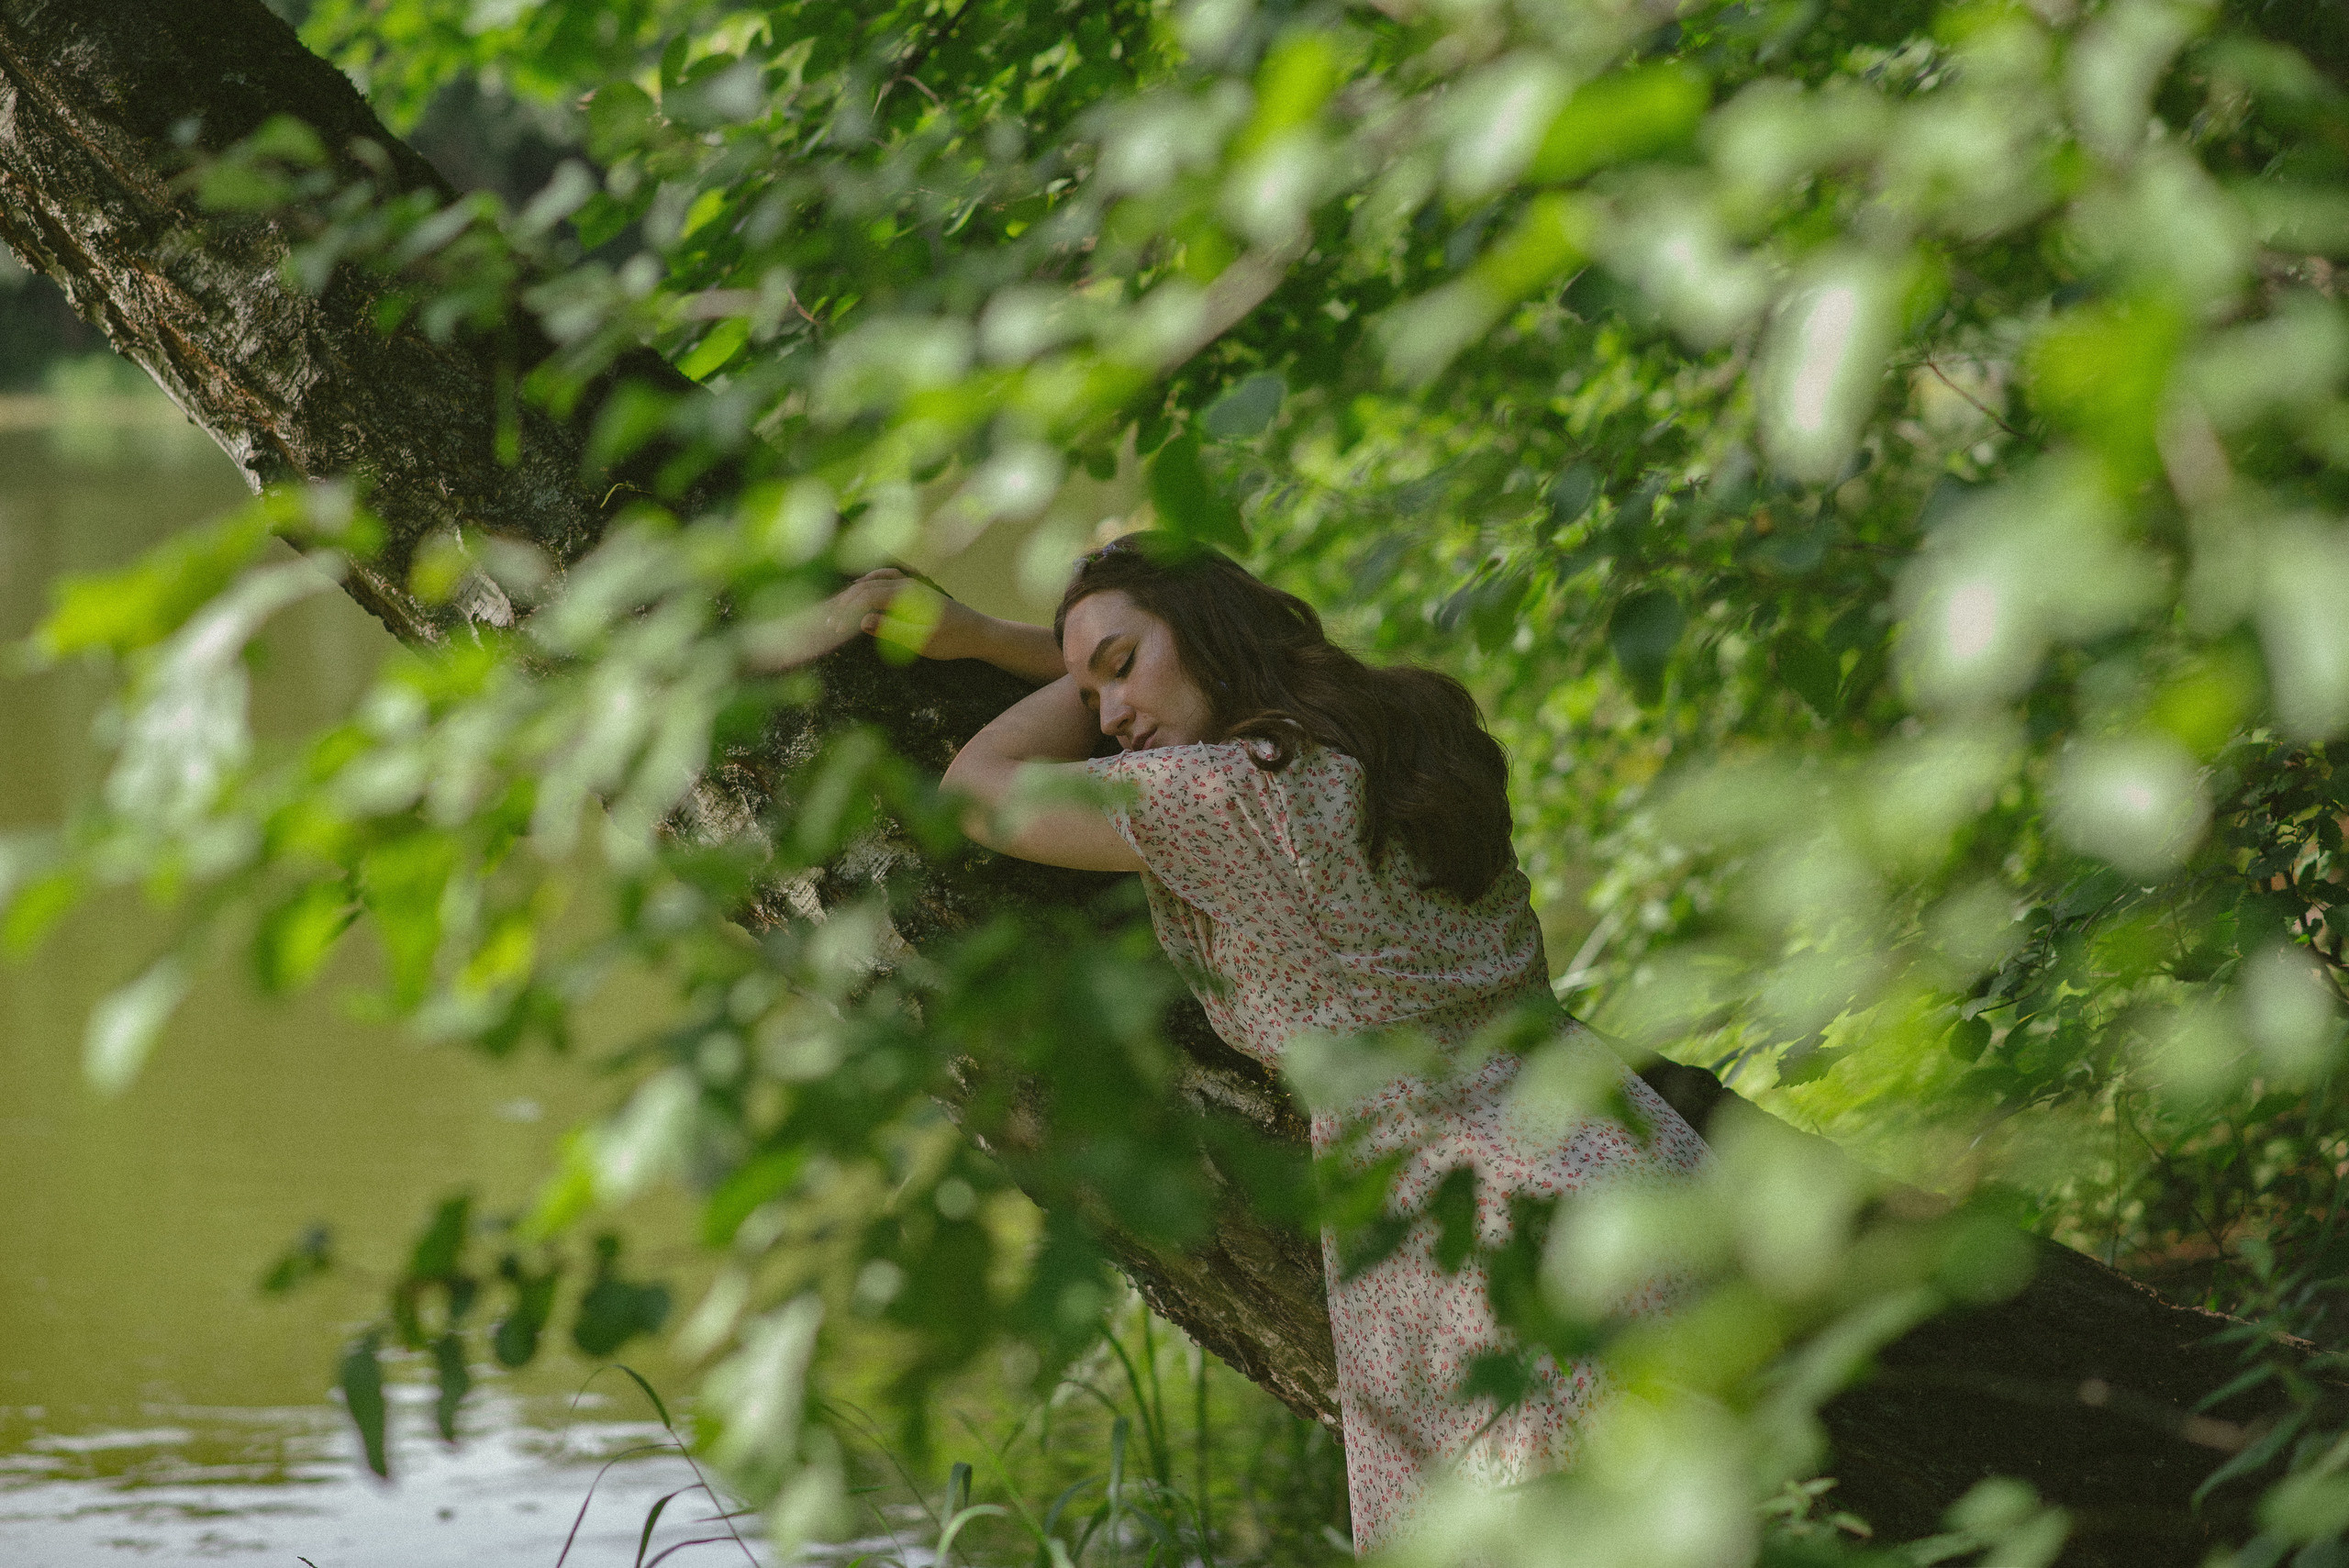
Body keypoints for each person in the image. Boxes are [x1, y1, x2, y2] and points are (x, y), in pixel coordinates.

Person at [819, 535, 1709, 1551]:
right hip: (1624, 1160)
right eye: (1090, 692)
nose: (1109, 717)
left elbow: (979, 788)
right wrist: (1060, 652)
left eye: (1122, 668)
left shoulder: (1225, 796)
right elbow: (1181, 678)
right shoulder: (1397, 729)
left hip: (1480, 1235)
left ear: (1209, 632)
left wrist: (990, 643)